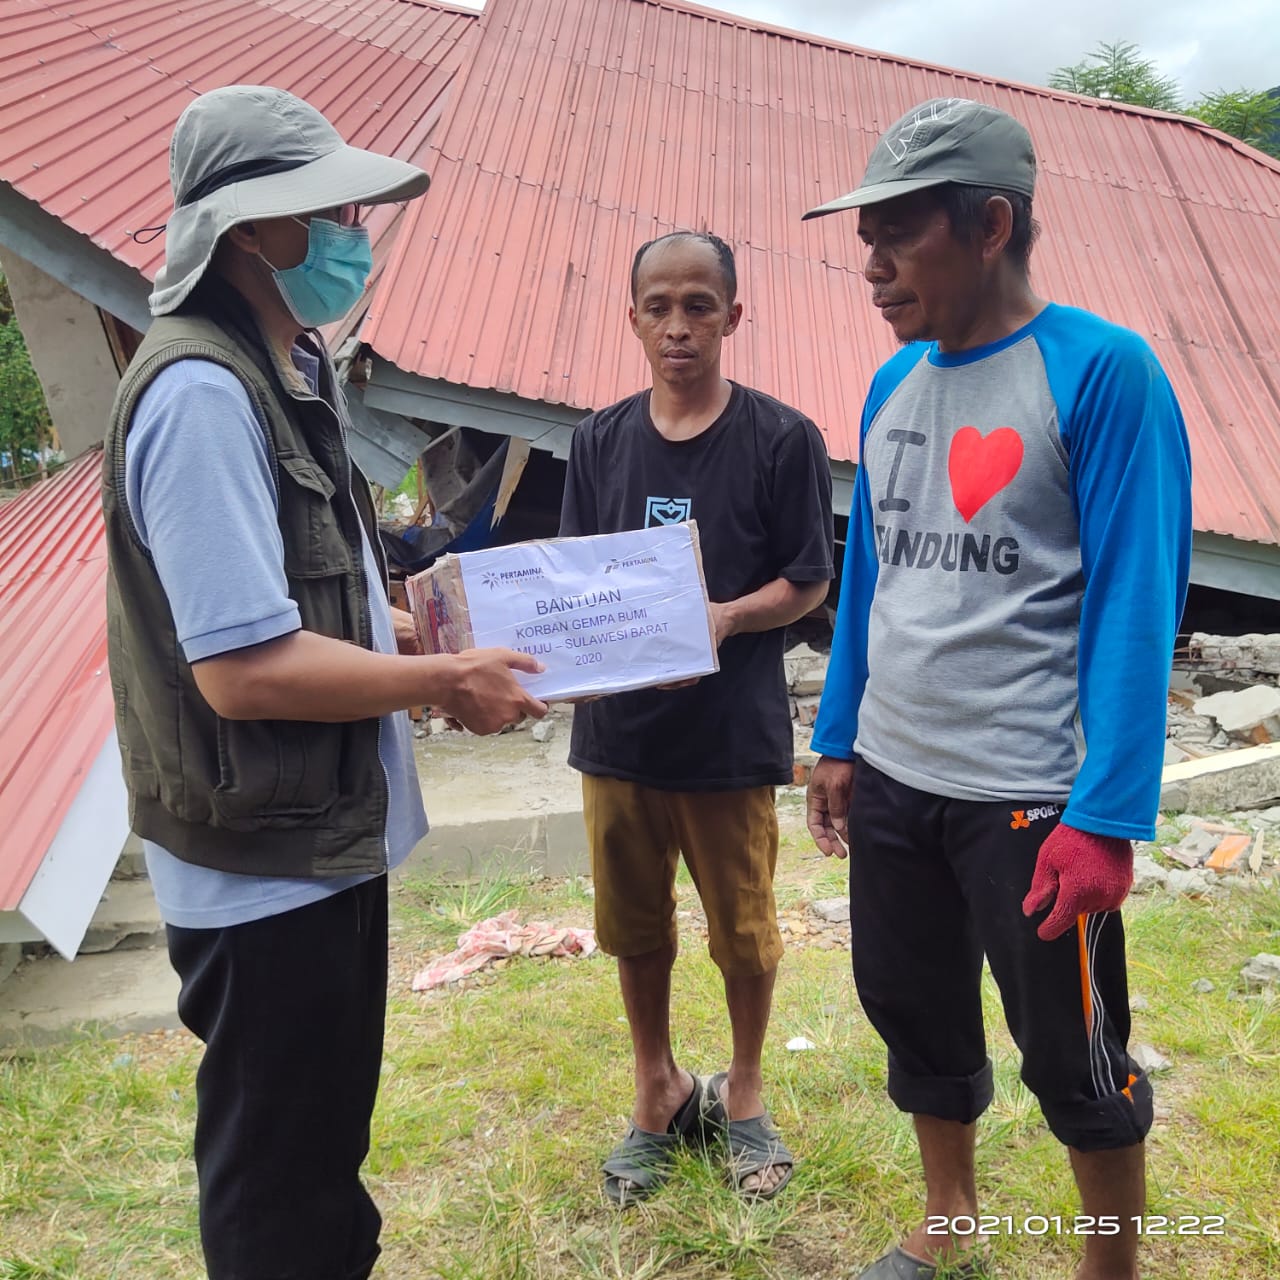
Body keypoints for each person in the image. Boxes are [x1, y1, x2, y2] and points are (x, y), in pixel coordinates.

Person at [103, 85, 546, 1280]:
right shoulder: (201, 394)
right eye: (329, 206)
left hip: (312, 840)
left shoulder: (279, 365)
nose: (353, 228)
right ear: (254, 229)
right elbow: (244, 669)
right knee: (278, 1177)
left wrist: (420, 622)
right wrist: (441, 674)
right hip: (264, 866)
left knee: (318, 1150)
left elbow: (298, 592)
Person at [801, 98, 1192, 1280]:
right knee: (910, 1007)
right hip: (895, 775)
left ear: (988, 223)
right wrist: (836, 734)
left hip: (1028, 796)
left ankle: (1108, 1262)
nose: (869, 267)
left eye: (895, 237)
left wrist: (1107, 814)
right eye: (861, 238)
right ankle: (949, 1214)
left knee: (1072, 1049)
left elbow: (1139, 598)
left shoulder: (1102, 373)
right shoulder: (890, 389)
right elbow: (871, 573)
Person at [559, 230, 835, 1204]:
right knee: (633, 925)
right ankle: (657, 1087)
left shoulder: (780, 438)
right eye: (657, 306)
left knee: (744, 931)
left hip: (727, 738)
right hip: (619, 740)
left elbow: (807, 579)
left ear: (731, 315)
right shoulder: (596, 440)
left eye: (698, 306)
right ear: (630, 315)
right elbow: (574, 581)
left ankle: (746, 1088)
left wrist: (720, 618)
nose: (677, 326)